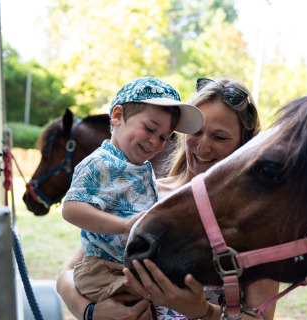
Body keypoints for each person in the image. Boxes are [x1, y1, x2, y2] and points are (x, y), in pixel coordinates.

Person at [57, 77, 279, 320]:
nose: (203, 148)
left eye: (220, 137)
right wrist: (91, 312)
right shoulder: (146, 193)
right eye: (196, 132)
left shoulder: (254, 220)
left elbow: (260, 317)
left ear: (243, 146)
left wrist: (203, 311)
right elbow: (69, 273)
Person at [61, 76, 203, 318]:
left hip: (124, 267)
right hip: (103, 268)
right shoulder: (100, 162)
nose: (155, 142)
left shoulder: (139, 167)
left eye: (163, 137)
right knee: (141, 304)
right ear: (117, 116)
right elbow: (71, 209)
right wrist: (126, 225)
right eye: (149, 128)